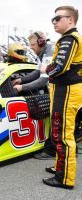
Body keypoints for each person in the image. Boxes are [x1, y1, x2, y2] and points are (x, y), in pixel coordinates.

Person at [41, 6, 82, 189]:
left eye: (57, 18)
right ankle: (61, 167)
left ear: (71, 20)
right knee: (61, 132)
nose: (54, 22)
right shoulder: (70, 38)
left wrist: (45, 69)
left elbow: (59, 66)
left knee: (63, 134)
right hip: (65, 90)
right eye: (53, 19)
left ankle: (64, 178)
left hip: (66, 91)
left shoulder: (69, 38)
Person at [12, 32, 55, 160]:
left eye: (33, 45)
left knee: (58, 122)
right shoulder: (43, 54)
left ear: (41, 42)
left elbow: (42, 80)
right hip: (58, 88)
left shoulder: (50, 52)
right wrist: (21, 80)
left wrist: (21, 87)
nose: (31, 48)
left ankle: (51, 151)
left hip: (68, 89)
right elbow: (37, 72)